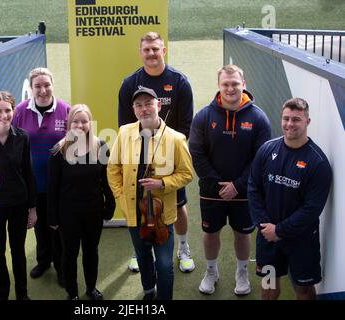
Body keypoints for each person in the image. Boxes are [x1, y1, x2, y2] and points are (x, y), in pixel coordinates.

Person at [189, 64, 271, 295]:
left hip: (245, 191)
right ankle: (211, 271)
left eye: (235, 83)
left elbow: (260, 159)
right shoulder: (204, 116)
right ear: (219, 86)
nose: (230, 88)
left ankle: (242, 272)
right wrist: (217, 184)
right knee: (210, 232)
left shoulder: (258, 118)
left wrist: (237, 185)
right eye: (225, 84)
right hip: (210, 189)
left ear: (243, 85)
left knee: (243, 233)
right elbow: (196, 152)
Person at [118, 31, 195, 273]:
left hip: (168, 154)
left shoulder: (180, 82)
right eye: (147, 49)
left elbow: (185, 126)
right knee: (140, 201)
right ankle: (140, 248)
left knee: (178, 201)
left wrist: (165, 147)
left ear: (164, 50)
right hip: (138, 154)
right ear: (141, 53)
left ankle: (183, 247)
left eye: (156, 49)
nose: (151, 53)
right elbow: (124, 125)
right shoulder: (129, 83)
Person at [108, 87, 194, 300]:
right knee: (143, 256)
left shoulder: (176, 139)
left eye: (148, 103)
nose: (144, 109)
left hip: (161, 215)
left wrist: (161, 183)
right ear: (133, 109)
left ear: (159, 105)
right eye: (138, 105)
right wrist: (120, 196)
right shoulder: (125, 132)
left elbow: (186, 174)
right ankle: (149, 291)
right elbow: (113, 168)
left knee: (164, 265)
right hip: (134, 212)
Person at [248, 98, 332, 300]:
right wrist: (264, 225)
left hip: (302, 240)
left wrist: (280, 230)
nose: (290, 124)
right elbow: (253, 189)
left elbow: (311, 209)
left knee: (303, 291)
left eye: (296, 119)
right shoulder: (267, 150)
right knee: (269, 287)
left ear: (307, 122)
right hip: (268, 236)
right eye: (286, 118)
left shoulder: (318, 163)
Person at [48, 104, 115, 300]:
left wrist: (109, 205)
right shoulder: (58, 151)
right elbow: (53, 188)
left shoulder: (101, 146)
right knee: (69, 254)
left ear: (90, 123)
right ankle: (72, 293)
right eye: (75, 121)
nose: (80, 125)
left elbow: (106, 180)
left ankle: (91, 288)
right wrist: (52, 216)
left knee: (91, 251)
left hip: (93, 211)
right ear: (69, 124)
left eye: (84, 121)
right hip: (68, 213)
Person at [12, 67, 71, 286]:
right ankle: (43, 261)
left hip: (60, 183)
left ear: (52, 85)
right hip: (33, 182)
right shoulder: (20, 111)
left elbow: (78, 142)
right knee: (40, 226)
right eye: (37, 86)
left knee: (59, 227)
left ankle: (61, 267)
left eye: (46, 85)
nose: (43, 90)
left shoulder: (66, 109)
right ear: (31, 88)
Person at [0, 91, 37, 300]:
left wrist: (32, 208)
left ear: (14, 111)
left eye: (8, 110)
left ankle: (22, 294)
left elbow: (28, 172)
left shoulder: (22, 137)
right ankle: (3, 295)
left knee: (18, 251)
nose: (4, 115)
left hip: (18, 204)